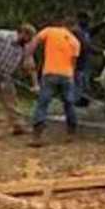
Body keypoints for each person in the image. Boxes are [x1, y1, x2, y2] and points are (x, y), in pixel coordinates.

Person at [29, 15, 82, 145]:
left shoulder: (50, 31)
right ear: (73, 27)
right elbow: (73, 63)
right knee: (69, 104)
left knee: (43, 103)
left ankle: (37, 136)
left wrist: (28, 55)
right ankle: (71, 133)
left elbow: (35, 41)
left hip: (50, 73)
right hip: (67, 75)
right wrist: (71, 77)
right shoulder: (75, 42)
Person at [72, 10, 95, 108]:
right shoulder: (77, 31)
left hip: (85, 63)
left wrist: (104, 23)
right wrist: (102, 52)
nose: (88, 22)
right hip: (79, 64)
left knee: (85, 85)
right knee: (79, 86)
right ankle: (76, 105)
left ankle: (83, 103)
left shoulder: (84, 30)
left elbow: (92, 31)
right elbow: (85, 46)